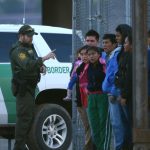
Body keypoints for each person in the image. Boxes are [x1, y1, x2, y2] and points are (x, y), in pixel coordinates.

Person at [9, 24, 55, 150]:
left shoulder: (28, 48)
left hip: (30, 88)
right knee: (24, 119)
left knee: (28, 118)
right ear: (21, 36)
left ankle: (22, 146)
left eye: (31, 36)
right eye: (28, 36)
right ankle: (19, 147)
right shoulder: (18, 50)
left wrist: (40, 67)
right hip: (23, 90)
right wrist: (44, 58)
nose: (31, 38)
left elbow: (32, 65)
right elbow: (28, 65)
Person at [102, 24, 132, 150]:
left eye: (119, 36)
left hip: (117, 94)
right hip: (115, 93)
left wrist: (113, 91)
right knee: (119, 125)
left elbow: (119, 75)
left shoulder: (123, 54)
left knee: (120, 126)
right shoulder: (118, 53)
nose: (117, 38)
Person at [86, 46, 111, 150]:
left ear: (99, 54)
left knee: (103, 124)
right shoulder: (86, 66)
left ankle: (104, 148)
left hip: (102, 96)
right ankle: (98, 147)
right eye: (89, 54)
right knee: (94, 125)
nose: (91, 56)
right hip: (91, 97)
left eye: (93, 54)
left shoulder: (104, 65)